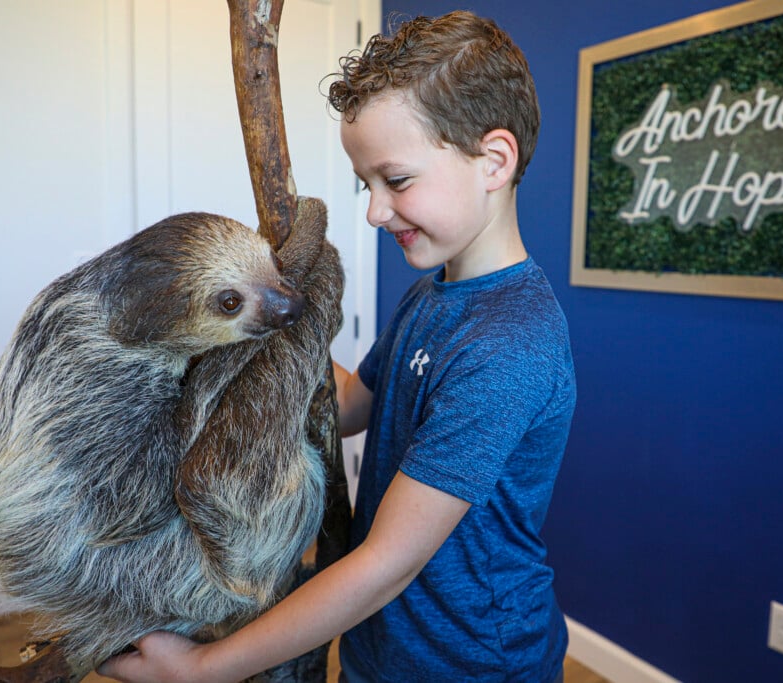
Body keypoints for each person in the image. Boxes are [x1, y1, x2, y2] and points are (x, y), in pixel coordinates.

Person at [99, 10, 575, 682]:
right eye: (366, 185)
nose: (376, 212)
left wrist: (204, 667)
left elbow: (387, 562)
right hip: (380, 646)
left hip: (470, 661)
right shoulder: (433, 296)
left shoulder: (508, 344)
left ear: (494, 160)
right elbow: (350, 402)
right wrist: (245, 334)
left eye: (397, 180)